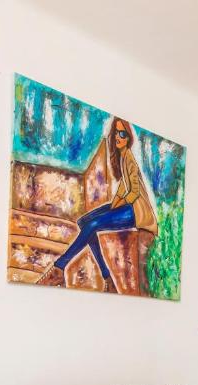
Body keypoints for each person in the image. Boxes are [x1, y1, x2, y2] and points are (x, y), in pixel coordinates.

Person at [38, 118, 158, 293]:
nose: (118, 137)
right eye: (116, 133)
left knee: (94, 225)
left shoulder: (129, 158)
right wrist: (115, 204)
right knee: (83, 222)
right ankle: (107, 278)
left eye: (122, 134)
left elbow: (134, 192)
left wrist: (117, 205)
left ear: (128, 138)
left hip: (135, 211)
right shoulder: (122, 157)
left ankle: (60, 267)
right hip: (126, 205)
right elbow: (123, 190)